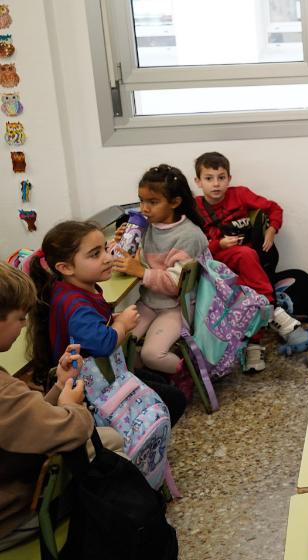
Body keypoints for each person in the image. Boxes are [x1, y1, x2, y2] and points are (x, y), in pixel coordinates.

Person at [0, 263, 113, 551]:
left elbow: (23, 417)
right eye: (20, 318)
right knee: (110, 446)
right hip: (10, 518)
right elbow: (73, 429)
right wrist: (72, 406)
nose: (24, 325)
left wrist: (60, 386)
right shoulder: (4, 392)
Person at [28, 220, 188, 424]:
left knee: (158, 380)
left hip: (99, 372)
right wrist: (122, 325)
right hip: (87, 390)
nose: (108, 257)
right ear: (66, 268)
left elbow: (90, 330)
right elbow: (103, 345)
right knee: (175, 400)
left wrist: (113, 320)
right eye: (95, 254)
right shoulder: (76, 306)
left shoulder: (72, 287)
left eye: (105, 249)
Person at [193, 152, 307, 345]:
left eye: (221, 177)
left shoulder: (240, 194)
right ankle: (272, 308)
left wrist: (272, 229)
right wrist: (219, 244)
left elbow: (274, 208)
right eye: (209, 178)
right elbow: (194, 245)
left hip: (248, 262)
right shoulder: (195, 207)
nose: (216, 184)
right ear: (198, 182)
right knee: (245, 255)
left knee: (246, 292)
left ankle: (253, 344)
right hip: (217, 260)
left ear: (229, 178)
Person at [112, 165, 213, 375]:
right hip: (148, 302)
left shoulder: (190, 236)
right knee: (116, 345)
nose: (144, 208)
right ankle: (150, 376)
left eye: (153, 202)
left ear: (175, 202)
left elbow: (176, 284)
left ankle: (186, 375)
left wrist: (142, 272)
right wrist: (120, 243)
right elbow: (122, 261)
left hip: (176, 308)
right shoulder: (147, 225)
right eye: (141, 201)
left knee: (152, 354)